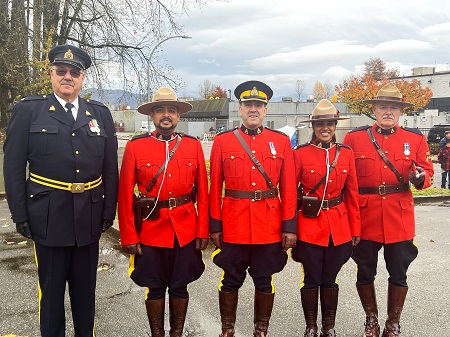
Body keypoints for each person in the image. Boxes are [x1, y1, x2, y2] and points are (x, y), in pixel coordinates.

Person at [3, 44, 119, 336]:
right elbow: (14, 166)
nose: (68, 76)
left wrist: (108, 210)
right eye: (61, 71)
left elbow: (109, 168)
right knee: (51, 297)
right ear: (52, 74)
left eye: (74, 72)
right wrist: (20, 214)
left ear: (82, 78)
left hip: (88, 217)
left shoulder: (99, 114)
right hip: (48, 216)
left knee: (85, 296)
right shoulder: (29, 110)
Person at [342, 83, 434, 337]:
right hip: (365, 216)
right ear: (374, 109)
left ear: (400, 111)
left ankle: (393, 322)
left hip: (398, 217)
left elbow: (427, 173)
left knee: (399, 271)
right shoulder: (354, 138)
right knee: (364, 270)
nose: (388, 112)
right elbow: (346, 178)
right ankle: (371, 320)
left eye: (393, 107)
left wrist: (419, 178)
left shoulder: (414, 139)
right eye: (383, 106)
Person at [118, 87, 209, 337]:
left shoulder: (192, 146)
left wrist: (203, 230)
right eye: (160, 110)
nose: (166, 115)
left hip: (185, 230)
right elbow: (125, 195)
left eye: (171, 110)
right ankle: (157, 334)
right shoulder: (136, 147)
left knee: (180, 286)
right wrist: (128, 235)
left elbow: (204, 193)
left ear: (179, 116)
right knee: (154, 288)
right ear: (153, 116)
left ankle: (176, 333)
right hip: (150, 229)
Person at [209, 80, 297, 337]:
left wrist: (289, 227)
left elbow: (289, 189)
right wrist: (215, 225)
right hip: (233, 223)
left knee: (264, 279)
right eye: (248, 104)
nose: (253, 109)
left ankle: (261, 330)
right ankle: (228, 330)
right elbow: (215, 188)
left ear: (266, 110)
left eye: (259, 105)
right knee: (230, 279)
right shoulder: (223, 141)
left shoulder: (280, 142)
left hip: (268, 224)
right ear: (240, 108)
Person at [292, 99, 361, 337]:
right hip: (309, 226)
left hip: (338, 227)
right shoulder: (300, 154)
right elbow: (291, 195)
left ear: (335, 125)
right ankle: (311, 326)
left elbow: (352, 194)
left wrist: (356, 229)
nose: (325, 128)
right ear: (313, 126)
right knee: (311, 278)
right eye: (320, 123)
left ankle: (328, 326)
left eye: (329, 123)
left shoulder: (346, 154)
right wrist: (290, 229)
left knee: (330, 279)